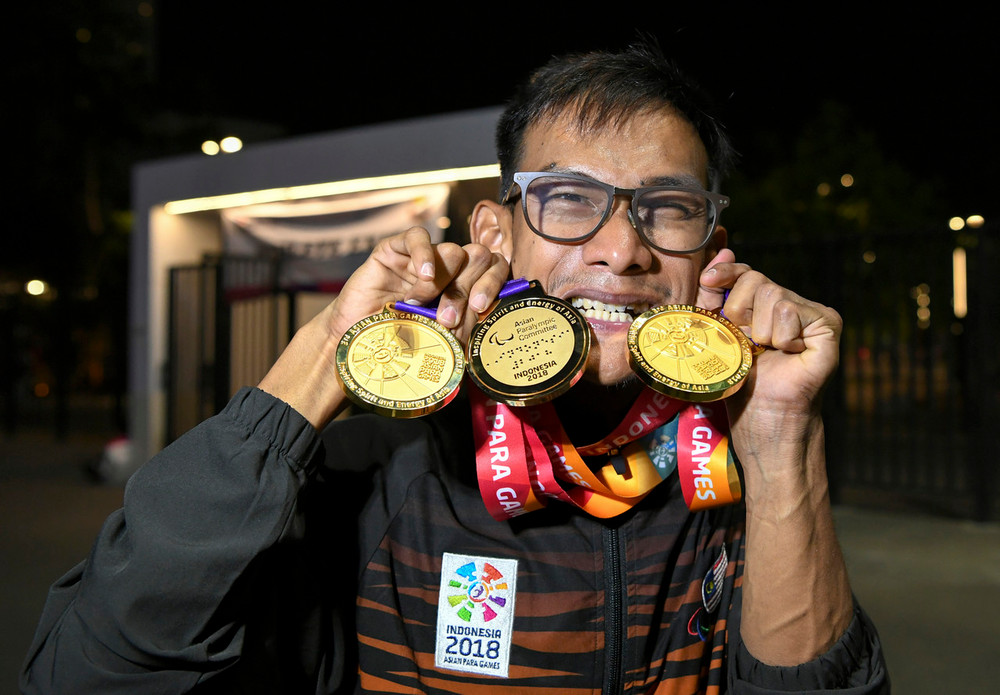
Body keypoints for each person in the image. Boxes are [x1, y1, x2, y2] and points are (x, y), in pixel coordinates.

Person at [20, 39, 888, 693]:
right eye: (569, 199)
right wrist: (324, 356)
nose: (622, 249)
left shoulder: (739, 492)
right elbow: (88, 671)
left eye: (667, 209)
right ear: (493, 235)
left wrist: (783, 441)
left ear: (711, 252)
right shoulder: (363, 483)